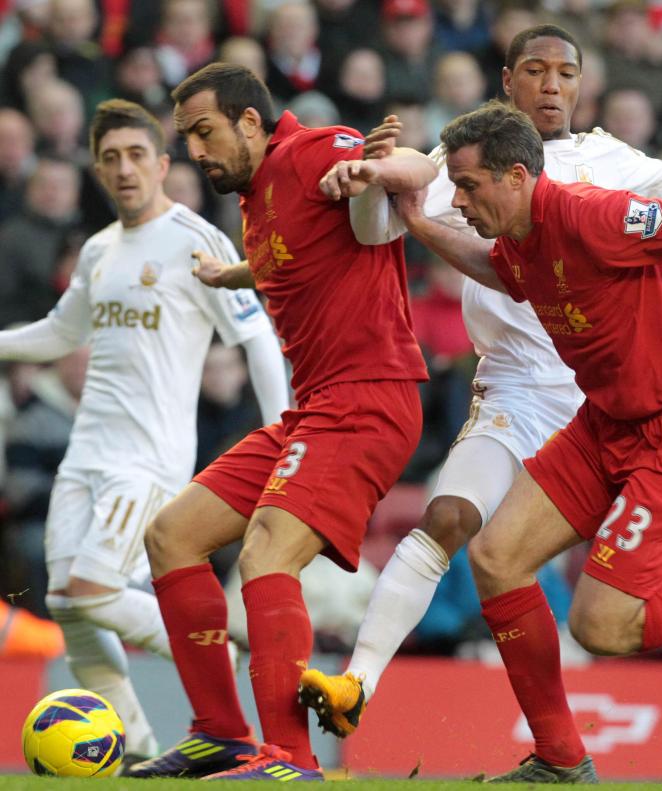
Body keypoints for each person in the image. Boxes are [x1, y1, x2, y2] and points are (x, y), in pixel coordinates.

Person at [301, 23, 662, 787]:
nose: (460, 203)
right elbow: (492, 260)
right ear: (507, 81)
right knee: (494, 557)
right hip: (593, 419)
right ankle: (559, 756)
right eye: (532, 70)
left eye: (469, 192)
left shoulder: (599, 202)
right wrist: (411, 213)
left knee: (614, 619)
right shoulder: (501, 204)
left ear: (512, 175)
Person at [126, 63, 437, 781]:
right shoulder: (254, 195)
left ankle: (291, 760)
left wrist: (370, 169)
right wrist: (227, 274)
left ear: (249, 122)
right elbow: (288, 261)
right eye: (187, 137)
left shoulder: (313, 150)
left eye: (204, 133)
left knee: (267, 555)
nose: (196, 153)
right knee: (172, 537)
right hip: (313, 410)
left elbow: (414, 167)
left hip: (368, 399)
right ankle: (220, 734)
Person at [0, 98, 288, 767]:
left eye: (136, 155)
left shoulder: (195, 239)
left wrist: (281, 435)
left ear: (161, 163)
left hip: (148, 458)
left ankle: (223, 645)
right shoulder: (100, 249)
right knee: (69, 605)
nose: (124, 169)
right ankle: (134, 749)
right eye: (110, 158)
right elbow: (61, 333)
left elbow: (256, 337)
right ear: (98, 170)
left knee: (96, 588)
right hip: (86, 453)